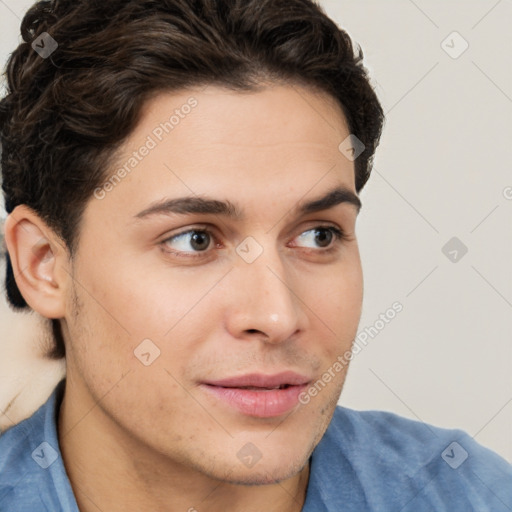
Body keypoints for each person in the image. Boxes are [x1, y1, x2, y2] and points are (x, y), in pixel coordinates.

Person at [0, 0, 511, 511]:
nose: (277, 316)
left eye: (318, 236)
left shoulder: (469, 494)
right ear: (44, 264)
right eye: (195, 239)